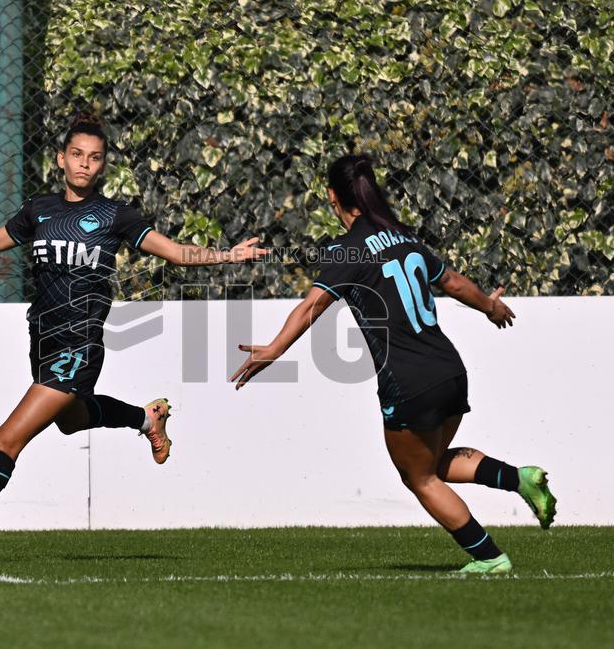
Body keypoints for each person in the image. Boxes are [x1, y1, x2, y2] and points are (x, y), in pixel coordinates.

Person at [0, 113, 269, 558]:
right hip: (42, 339)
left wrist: (227, 255)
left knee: (6, 440)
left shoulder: (114, 215)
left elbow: (174, 252)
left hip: (80, 343)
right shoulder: (39, 210)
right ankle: (146, 418)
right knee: (71, 420)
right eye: (77, 154)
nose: (84, 164)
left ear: (102, 166)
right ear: (61, 159)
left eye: (94, 158)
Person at [230, 154, 556, 574]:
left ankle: (490, 557)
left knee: (419, 478)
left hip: (408, 382)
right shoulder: (403, 237)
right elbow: (453, 282)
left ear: (332, 196)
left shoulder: (348, 250)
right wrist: (490, 308)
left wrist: (275, 349)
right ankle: (519, 478)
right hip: (450, 369)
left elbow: (312, 305)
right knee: (432, 464)